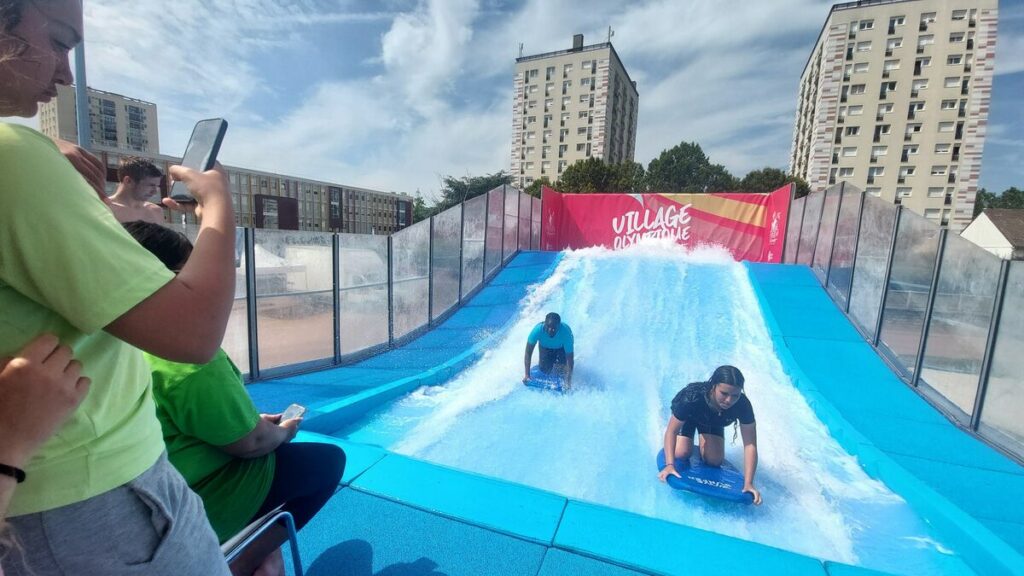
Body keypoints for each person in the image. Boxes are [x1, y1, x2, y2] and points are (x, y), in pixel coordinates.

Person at [1, 1, 238, 573]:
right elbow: (193, 331)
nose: (63, 74)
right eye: (58, 41)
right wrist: (217, 204)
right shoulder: (14, 159)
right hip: (91, 494)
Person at [124, 221, 347, 576]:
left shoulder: (104, 342)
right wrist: (282, 432)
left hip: (130, 502)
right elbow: (252, 442)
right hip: (182, 501)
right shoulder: (185, 352)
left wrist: (252, 425)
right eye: (191, 274)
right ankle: (239, 563)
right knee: (326, 462)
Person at [657, 365, 762, 505]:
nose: (729, 401)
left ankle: (704, 439)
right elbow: (672, 431)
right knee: (681, 452)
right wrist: (670, 464)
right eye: (724, 393)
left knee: (714, 461)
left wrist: (749, 483)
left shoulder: (742, 405)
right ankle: (687, 441)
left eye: (735, 395)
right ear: (713, 386)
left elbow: (750, 445)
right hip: (689, 416)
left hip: (712, 421)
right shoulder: (691, 398)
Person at [523, 312, 575, 389]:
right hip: (545, 347)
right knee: (544, 370)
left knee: (561, 371)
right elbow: (528, 353)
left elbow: (570, 360)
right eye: (548, 327)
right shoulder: (537, 330)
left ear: (559, 326)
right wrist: (527, 375)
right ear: (545, 324)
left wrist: (568, 382)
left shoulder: (566, 334)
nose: (550, 330)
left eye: (554, 328)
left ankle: (560, 368)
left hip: (561, 348)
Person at [109, 155, 166, 223]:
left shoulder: (156, 211)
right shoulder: (104, 208)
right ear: (128, 181)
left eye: (157, 186)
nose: (155, 192)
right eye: (151, 185)